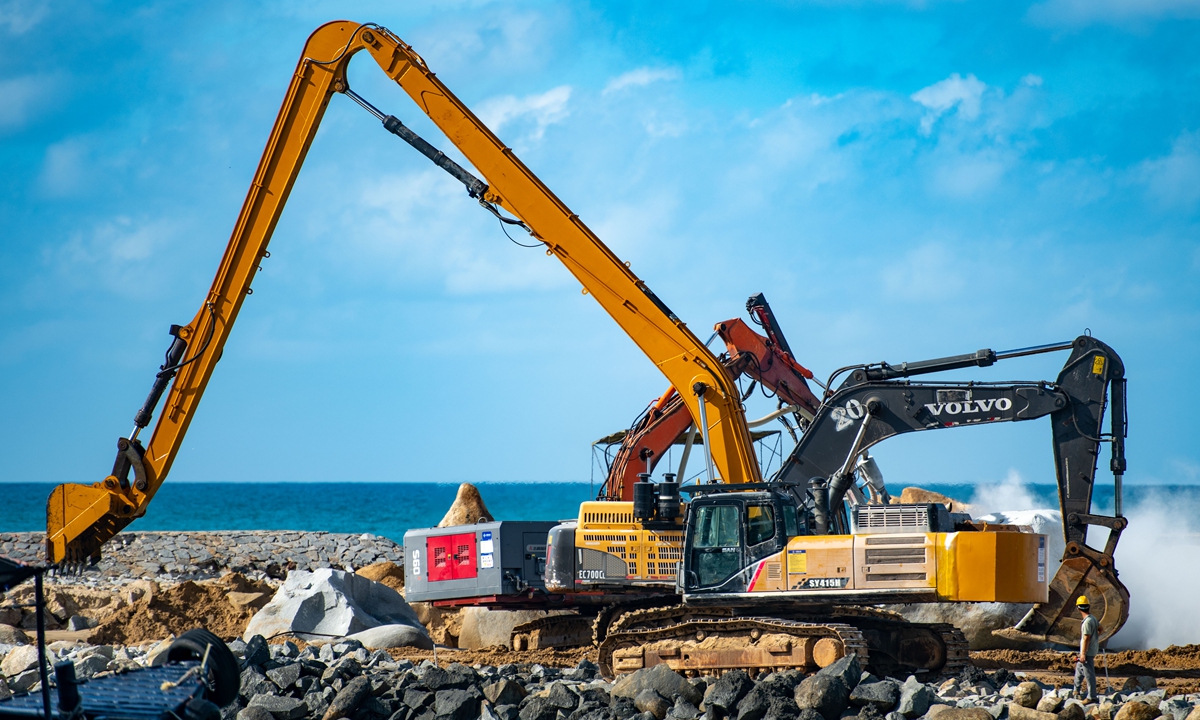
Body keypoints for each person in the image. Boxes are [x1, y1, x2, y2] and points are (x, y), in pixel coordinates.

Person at [1073, 595, 1100, 702]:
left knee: (1089, 674)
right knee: (1079, 669)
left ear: (1078, 608)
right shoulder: (1093, 618)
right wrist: (1096, 638)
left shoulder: (1087, 622)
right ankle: (1076, 690)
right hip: (1091, 649)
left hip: (1087, 651)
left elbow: (1086, 638)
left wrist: (1083, 654)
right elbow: (1101, 629)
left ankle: (1092, 697)